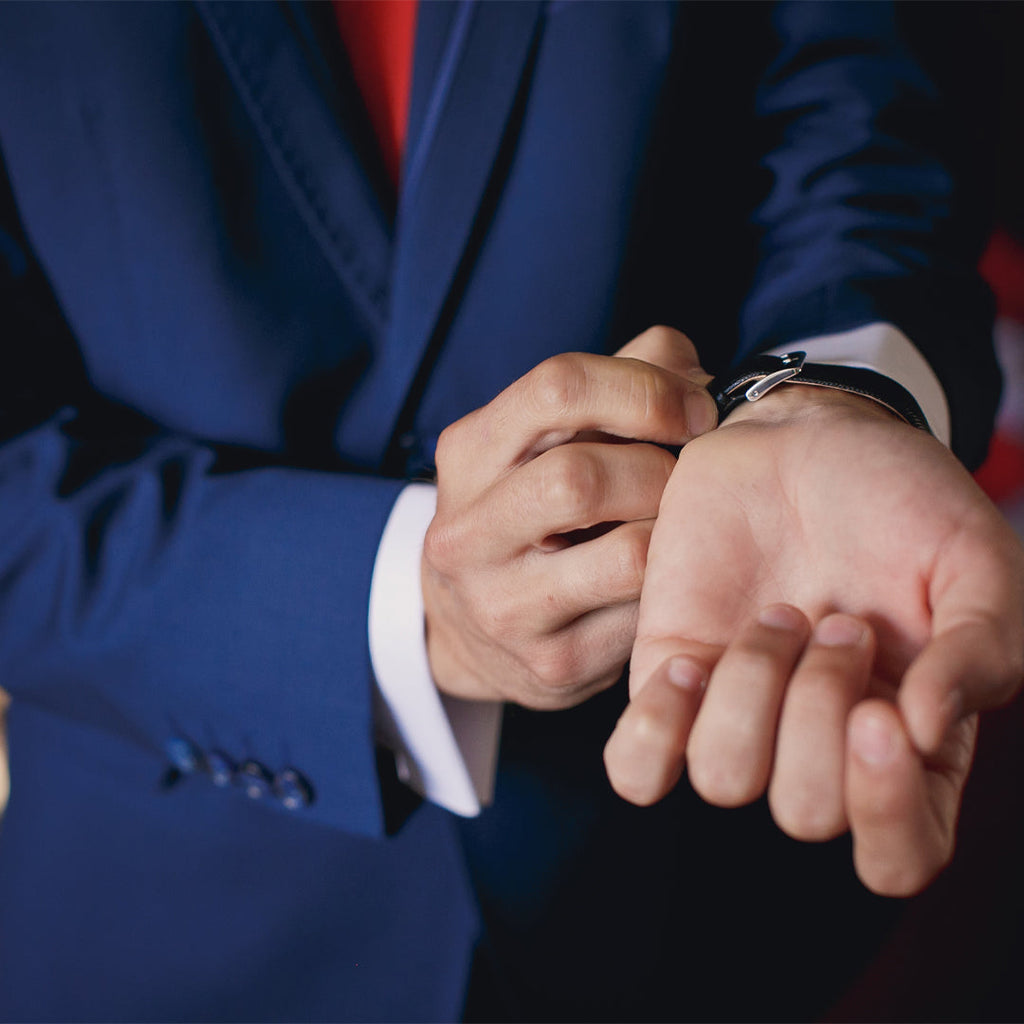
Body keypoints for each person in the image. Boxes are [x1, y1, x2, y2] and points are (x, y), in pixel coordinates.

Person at [0, 1, 1019, 1021]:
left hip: (715, 878)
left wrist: (835, 393)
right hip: (172, 932)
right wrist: (398, 603)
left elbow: (855, 110)